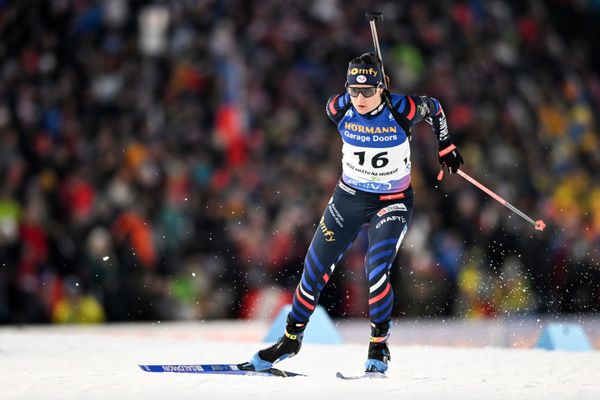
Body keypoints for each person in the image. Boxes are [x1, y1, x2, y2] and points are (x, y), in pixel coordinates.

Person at [242, 52, 463, 374]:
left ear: (381, 88)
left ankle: (379, 345)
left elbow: (436, 108)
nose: (359, 98)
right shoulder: (338, 106)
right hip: (349, 198)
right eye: (353, 90)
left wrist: (446, 146)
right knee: (313, 270)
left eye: (367, 91)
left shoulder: (403, 108)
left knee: (376, 271)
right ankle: (291, 338)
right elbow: (344, 103)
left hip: (392, 201)